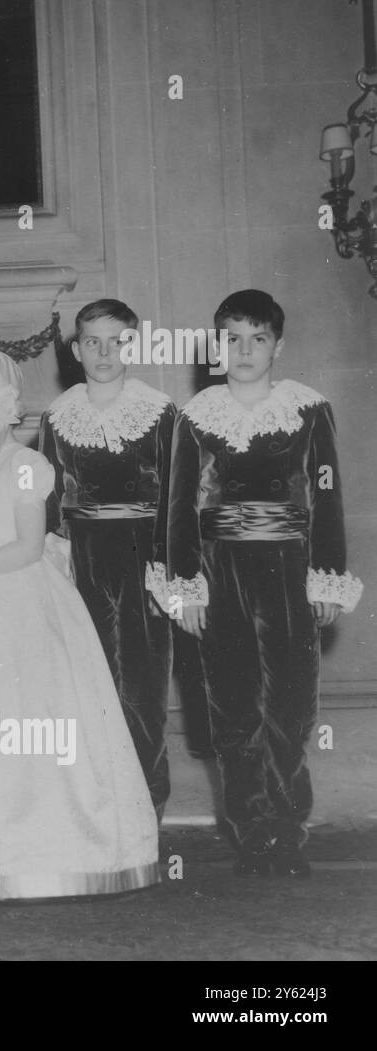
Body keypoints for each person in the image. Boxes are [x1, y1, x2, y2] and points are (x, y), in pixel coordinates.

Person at [0, 350, 159, 901]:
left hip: (20, 603)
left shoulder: (24, 464)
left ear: (2, 402)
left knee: (29, 721)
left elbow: (26, 547)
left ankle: (45, 852)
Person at [155, 290, 362, 878]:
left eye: (258, 338)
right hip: (220, 570)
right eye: (232, 338)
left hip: (291, 568)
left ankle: (289, 828)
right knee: (231, 704)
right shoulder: (194, 415)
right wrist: (186, 587)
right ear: (216, 346)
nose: (244, 350)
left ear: (279, 345)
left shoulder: (308, 409)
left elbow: (326, 495)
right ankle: (251, 833)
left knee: (291, 704)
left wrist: (326, 577)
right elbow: (178, 508)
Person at [38, 300, 176, 817]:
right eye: (92, 341)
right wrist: (54, 564)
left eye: (116, 340)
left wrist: (170, 571)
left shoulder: (160, 411)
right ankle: (96, 811)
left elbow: (176, 499)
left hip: (143, 555)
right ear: (75, 350)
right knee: (88, 681)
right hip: (81, 558)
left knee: (142, 684)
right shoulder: (58, 415)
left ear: (133, 345)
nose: (104, 351)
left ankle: (145, 808)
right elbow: (49, 500)